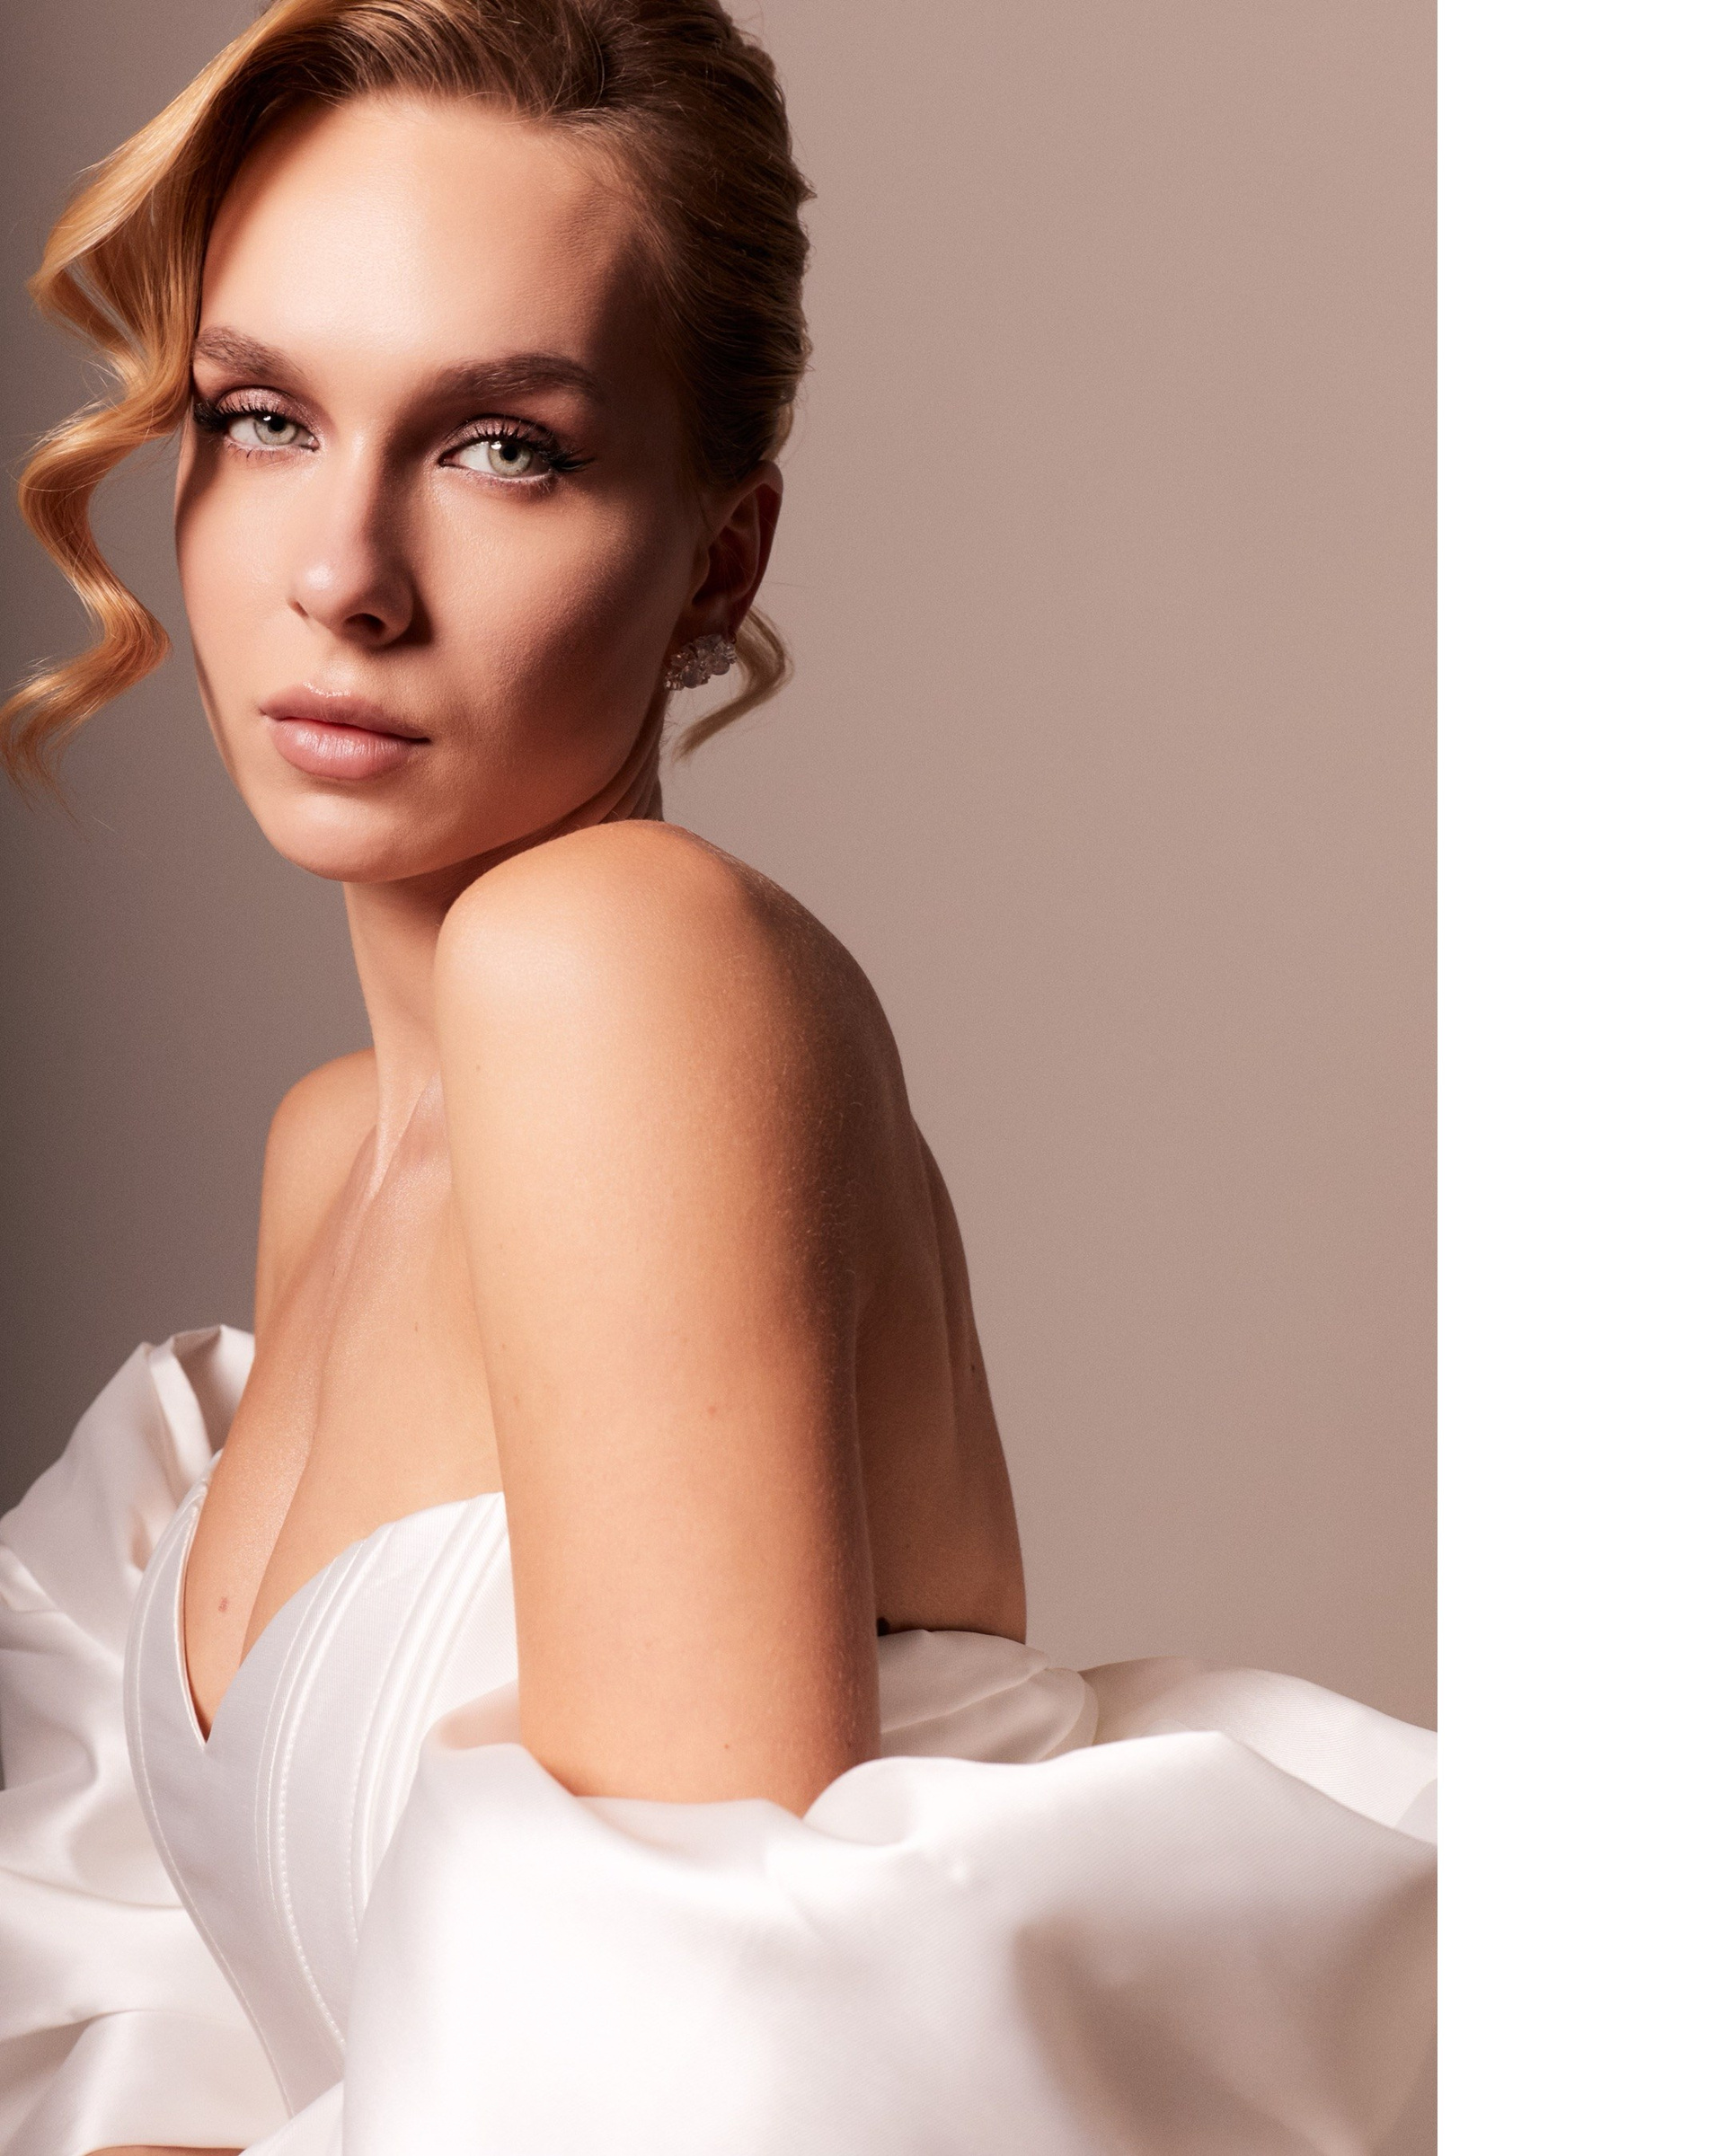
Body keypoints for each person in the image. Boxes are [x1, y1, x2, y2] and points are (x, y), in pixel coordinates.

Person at [0, 4, 1437, 2151]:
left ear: (719, 555)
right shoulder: (338, 1153)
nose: (341, 576)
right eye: (266, 416)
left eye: (505, 448)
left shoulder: (620, 969)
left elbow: (697, 2068)